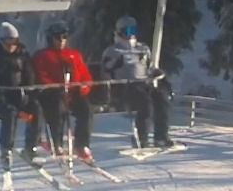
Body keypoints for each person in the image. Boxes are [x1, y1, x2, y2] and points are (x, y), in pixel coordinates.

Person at [0, 22, 44, 171]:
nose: (10, 46)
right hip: (2, 97)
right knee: (10, 113)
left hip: (21, 96)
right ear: (1, 42)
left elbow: (30, 77)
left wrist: (30, 93)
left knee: (37, 109)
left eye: (13, 42)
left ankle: (31, 147)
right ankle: (6, 149)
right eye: (7, 42)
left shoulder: (24, 56)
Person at [102, 15, 172, 149]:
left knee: (161, 98)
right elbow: (106, 72)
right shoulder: (113, 51)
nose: (131, 35)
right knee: (145, 103)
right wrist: (110, 88)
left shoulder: (143, 49)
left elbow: (149, 67)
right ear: (120, 32)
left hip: (144, 84)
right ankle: (142, 138)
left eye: (133, 30)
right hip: (125, 87)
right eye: (128, 31)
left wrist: (156, 74)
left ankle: (161, 136)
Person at [33, 20, 94, 161]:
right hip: (52, 95)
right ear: (51, 38)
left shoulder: (74, 55)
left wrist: (83, 87)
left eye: (64, 37)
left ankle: (82, 144)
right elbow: (41, 76)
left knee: (86, 109)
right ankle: (57, 142)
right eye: (58, 38)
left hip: (73, 93)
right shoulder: (43, 56)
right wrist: (55, 87)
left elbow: (85, 75)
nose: (61, 41)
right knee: (58, 111)